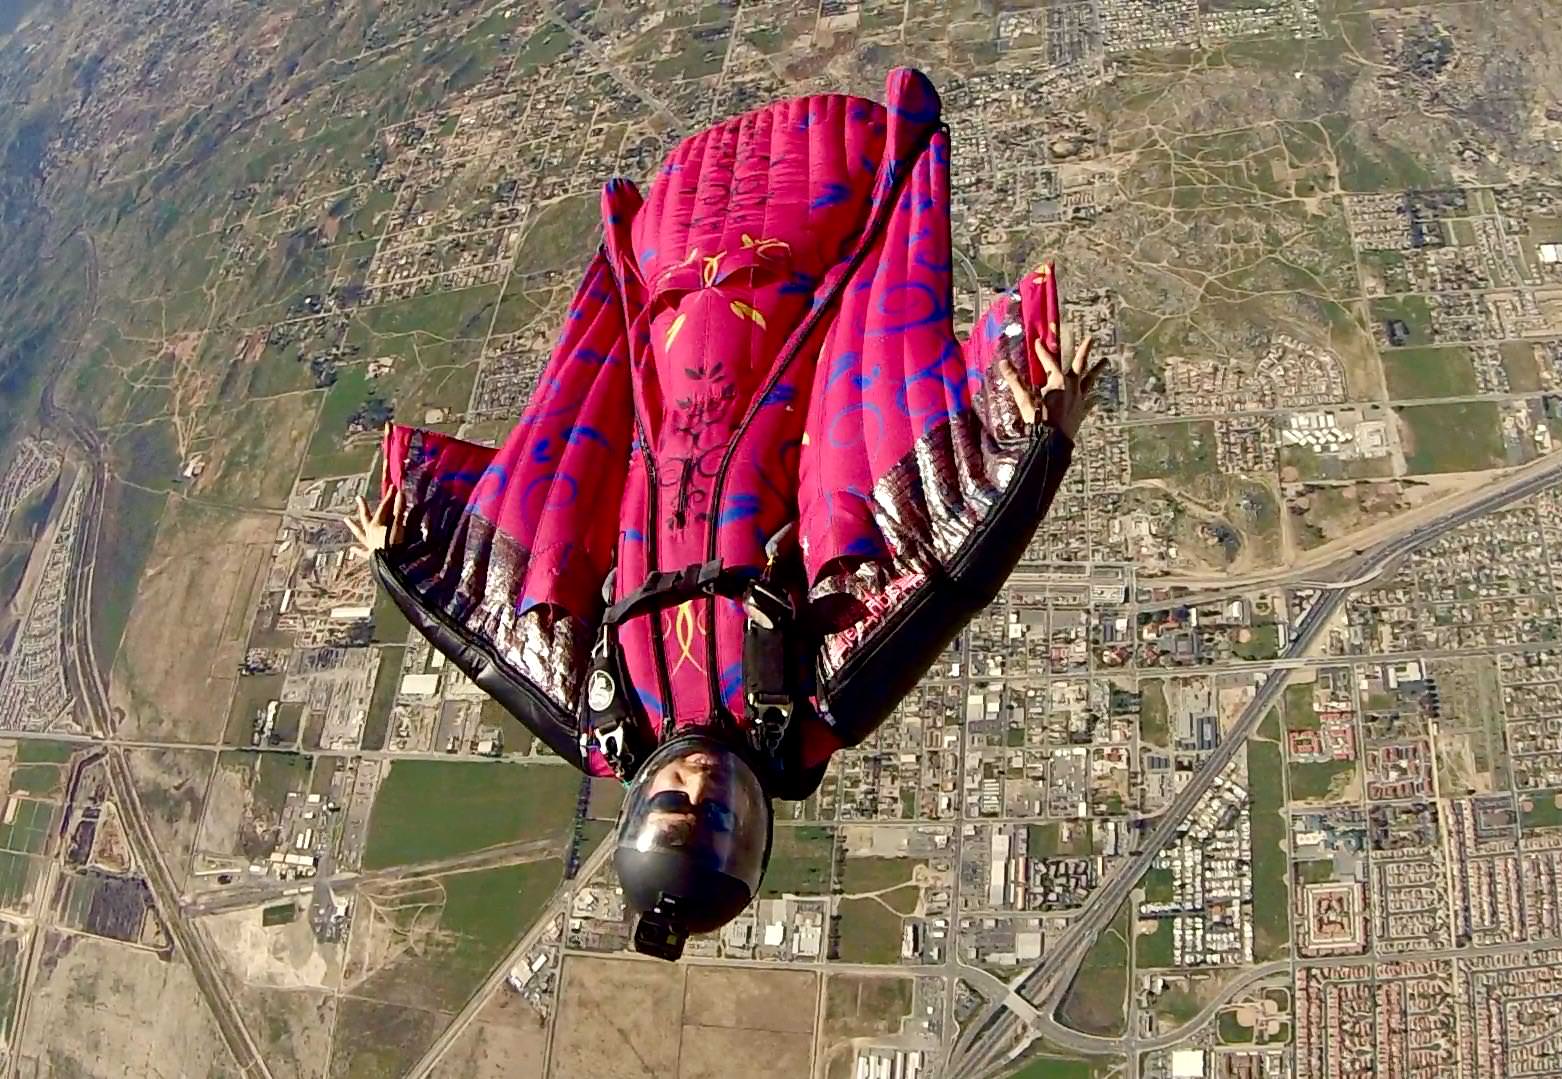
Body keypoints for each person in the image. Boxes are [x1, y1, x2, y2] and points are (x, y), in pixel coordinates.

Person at [346, 68, 1104, 960]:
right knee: (812, 210)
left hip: (666, 344)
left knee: (687, 245)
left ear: (636, 807)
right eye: (720, 817)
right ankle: (868, 168)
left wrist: (402, 560)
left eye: (672, 805)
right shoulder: (809, 705)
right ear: (755, 830)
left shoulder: (606, 718)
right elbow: (937, 575)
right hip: (795, 322)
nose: (700, 784)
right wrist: (1033, 442)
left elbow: (489, 639)